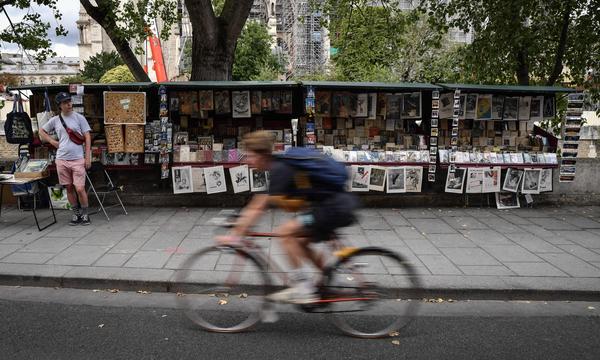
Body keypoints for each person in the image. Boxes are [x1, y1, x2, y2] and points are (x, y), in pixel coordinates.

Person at [217, 131, 358, 304]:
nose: (247, 161)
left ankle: (303, 289)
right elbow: (260, 202)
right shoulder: (280, 165)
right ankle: (327, 282)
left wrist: (234, 236)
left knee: (285, 233)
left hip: (332, 208)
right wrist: (240, 221)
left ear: (262, 155)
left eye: (250, 156)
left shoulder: (280, 168)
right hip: (333, 205)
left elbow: (258, 206)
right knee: (300, 242)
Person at [39, 92, 92, 225]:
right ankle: (76, 213)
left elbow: (87, 137)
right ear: (60, 106)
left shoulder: (79, 118)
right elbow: (41, 131)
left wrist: (88, 157)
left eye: (69, 101)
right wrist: (52, 141)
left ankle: (85, 214)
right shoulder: (55, 120)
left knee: (79, 188)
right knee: (68, 187)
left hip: (78, 158)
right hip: (62, 159)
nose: (68, 104)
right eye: (65, 102)